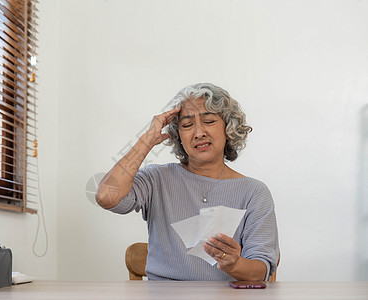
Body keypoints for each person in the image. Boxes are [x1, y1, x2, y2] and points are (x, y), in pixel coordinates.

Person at [96, 83, 279, 281]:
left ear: (228, 127)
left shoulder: (254, 192)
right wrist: (147, 140)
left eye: (209, 121)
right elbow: (106, 197)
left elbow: (261, 270)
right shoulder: (156, 179)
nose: (199, 133)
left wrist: (235, 264)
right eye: (187, 125)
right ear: (178, 136)